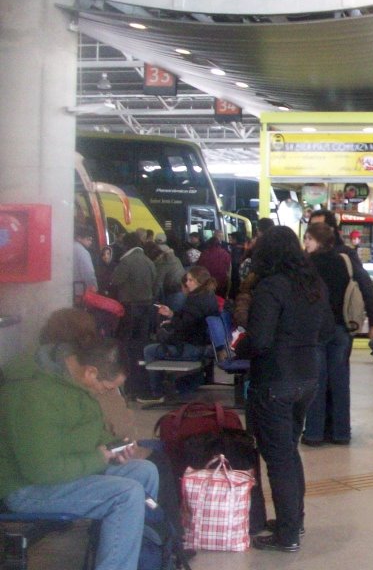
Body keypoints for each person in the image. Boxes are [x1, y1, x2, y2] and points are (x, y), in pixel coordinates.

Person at [0, 322, 160, 570]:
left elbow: (84, 431)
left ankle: (137, 558)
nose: (107, 393)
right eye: (108, 387)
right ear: (91, 372)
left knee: (144, 470)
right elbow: (41, 471)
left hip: (64, 473)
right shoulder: (32, 396)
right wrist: (98, 458)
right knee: (126, 494)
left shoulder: (71, 381)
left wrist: (113, 447)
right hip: (27, 489)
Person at [234, 226, 334, 552]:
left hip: (275, 380)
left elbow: (260, 340)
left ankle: (287, 534)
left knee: (277, 459)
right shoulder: (313, 285)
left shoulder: (270, 287)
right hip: (308, 378)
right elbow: (326, 331)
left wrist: (238, 347)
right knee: (289, 452)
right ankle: (295, 521)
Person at [301, 222, 354, 447]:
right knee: (340, 383)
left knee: (317, 382)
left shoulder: (308, 265)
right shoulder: (342, 261)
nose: (305, 244)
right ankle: (341, 432)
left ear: (318, 241)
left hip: (316, 329)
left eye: (308, 239)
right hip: (341, 327)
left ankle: (314, 433)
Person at [137, 265, 220, 405]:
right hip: (204, 346)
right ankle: (188, 384)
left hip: (193, 348)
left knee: (149, 350)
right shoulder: (209, 297)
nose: (187, 283)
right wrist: (171, 314)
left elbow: (185, 327)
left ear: (199, 282)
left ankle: (157, 393)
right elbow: (190, 321)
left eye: (190, 280)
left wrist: (169, 329)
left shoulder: (195, 300)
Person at [307, 209, 373, 342]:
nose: (314, 232)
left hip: (340, 325)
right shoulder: (305, 258)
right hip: (313, 326)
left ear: (331, 230)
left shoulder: (345, 255)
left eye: (319, 228)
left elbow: (365, 284)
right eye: (311, 228)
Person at [149, 240, 186, 311]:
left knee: (170, 316)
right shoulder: (176, 259)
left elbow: (158, 283)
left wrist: (152, 298)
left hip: (172, 293)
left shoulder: (164, 263)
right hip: (182, 291)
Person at [197, 231, 232, 298]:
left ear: (209, 244)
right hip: (221, 282)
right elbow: (228, 268)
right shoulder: (225, 253)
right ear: (219, 244)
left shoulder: (204, 253)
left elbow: (199, 266)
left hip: (207, 282)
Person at [73, 228, 98, 301]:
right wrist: (94, 287)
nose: (90, 242)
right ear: (79, 238)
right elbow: (89, 273)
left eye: (91, 240)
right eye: (88, 239)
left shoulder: (68, 247)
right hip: (79, 291)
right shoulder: (83, 252)